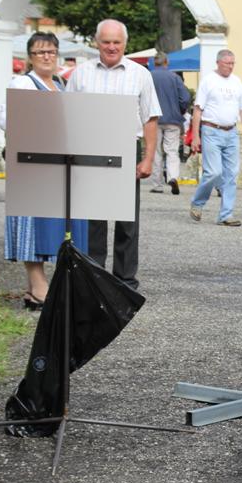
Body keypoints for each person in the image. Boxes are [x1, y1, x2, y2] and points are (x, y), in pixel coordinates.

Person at [67, 19, 161, 289]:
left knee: (127, 221)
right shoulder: (80, 74)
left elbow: (150, 118)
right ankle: (93, 276)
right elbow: (68, 114)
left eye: (116, 42)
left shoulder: (140, 74)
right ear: (97, 43)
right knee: (92, 219)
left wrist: (147, 158)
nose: (111, 47)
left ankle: (125, 281)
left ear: (125, 44)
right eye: (106, 42)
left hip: (126, 146)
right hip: (90, 147)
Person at [0, 32, 89, 310]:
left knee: (48, 223)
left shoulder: (61, 84)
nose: (47, 57)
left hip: (55, 162)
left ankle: (32, 289)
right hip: (30, 161)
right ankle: (39, 285)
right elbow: (7, 119)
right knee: (30, 224)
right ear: (30, 57)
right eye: (40, 52)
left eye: (51, 51)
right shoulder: (23, 82)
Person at [189, 49, 242, 226]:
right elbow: (198, 109)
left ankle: (226, 214)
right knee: (213, 172)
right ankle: (198, 202)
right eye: (227, 63)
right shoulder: (208, 81)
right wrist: (195, 136)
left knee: (232, 174)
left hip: (231, 132)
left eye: (233, 63)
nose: (230, 67)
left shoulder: (237, 82)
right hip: (211, 130)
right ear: (218, 63)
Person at [149, 53, 191, 195]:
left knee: (156, 151)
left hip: (153, 119)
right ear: (167, 62)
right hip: (172, 119)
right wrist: (180, 111)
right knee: (172, 151)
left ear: (155, 63)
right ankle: (173, 176)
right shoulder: (175, 77)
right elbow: (185, 98)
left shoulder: (148, 77)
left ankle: (157, 184)